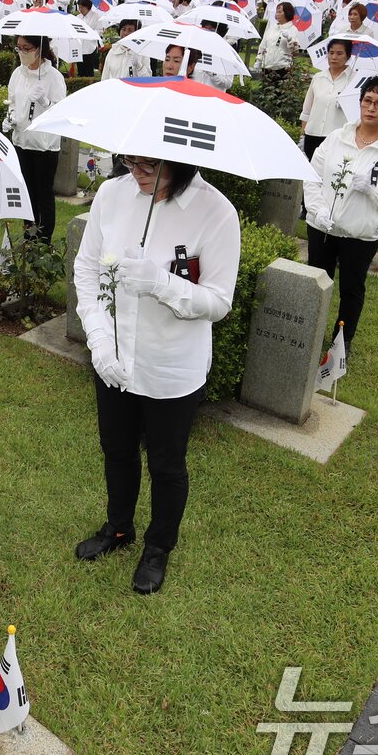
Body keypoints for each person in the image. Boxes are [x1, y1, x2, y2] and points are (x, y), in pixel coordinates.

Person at [71, 153, 241, 595]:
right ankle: (119, 527)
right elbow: (86, 270)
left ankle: (158, 546)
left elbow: (219, 302)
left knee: (166, 463)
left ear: (181, 161)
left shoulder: (216, 211)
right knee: (116, 448)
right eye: (130, 161)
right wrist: (98, 338)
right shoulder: (112, 195)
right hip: (113, 355)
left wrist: (160, 283)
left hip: (170, 364)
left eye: (149, 165)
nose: (136, 173)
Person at [302, 73, 378, 348]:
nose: (371, 108)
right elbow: (312, 176)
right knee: (316, 282)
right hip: (323, 227)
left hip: (360, 233)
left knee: (351, 290)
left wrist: (373, 190)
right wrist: (317, 210)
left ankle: (340, 345)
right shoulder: (336, 137)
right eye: (367, 100)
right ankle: (307, 336)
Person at [5, 34, 67, 241]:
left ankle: (44, 239)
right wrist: (11, 117)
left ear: (38, 49)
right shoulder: (18, 74)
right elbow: (12, 101)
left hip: (44, 145)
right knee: (27, 191)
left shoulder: (53, 77)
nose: (22, 52)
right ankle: (29, 234)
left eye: (26, 48)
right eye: (19, 48)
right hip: (22, 141)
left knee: (43, 193)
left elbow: (61, 112)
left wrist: (45, 101)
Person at [299, 39, 353, 160]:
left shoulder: (353, 80)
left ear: (348, 56)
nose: (334, 57)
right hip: (312, 135)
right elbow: (307, 110)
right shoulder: (318, 77)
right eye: (331, 52)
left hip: (337, 138)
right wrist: (303, 135)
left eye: (339, 53)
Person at [254, 2, 297, 81]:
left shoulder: (292, 29)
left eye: (280, 12)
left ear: (287, 13)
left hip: (282, 68)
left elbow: (295, 49)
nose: (277, 14)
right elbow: (263, 45)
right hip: (267, 67)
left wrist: (289, 38)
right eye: (277, 12)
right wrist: (258, 60)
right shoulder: (272, 28)